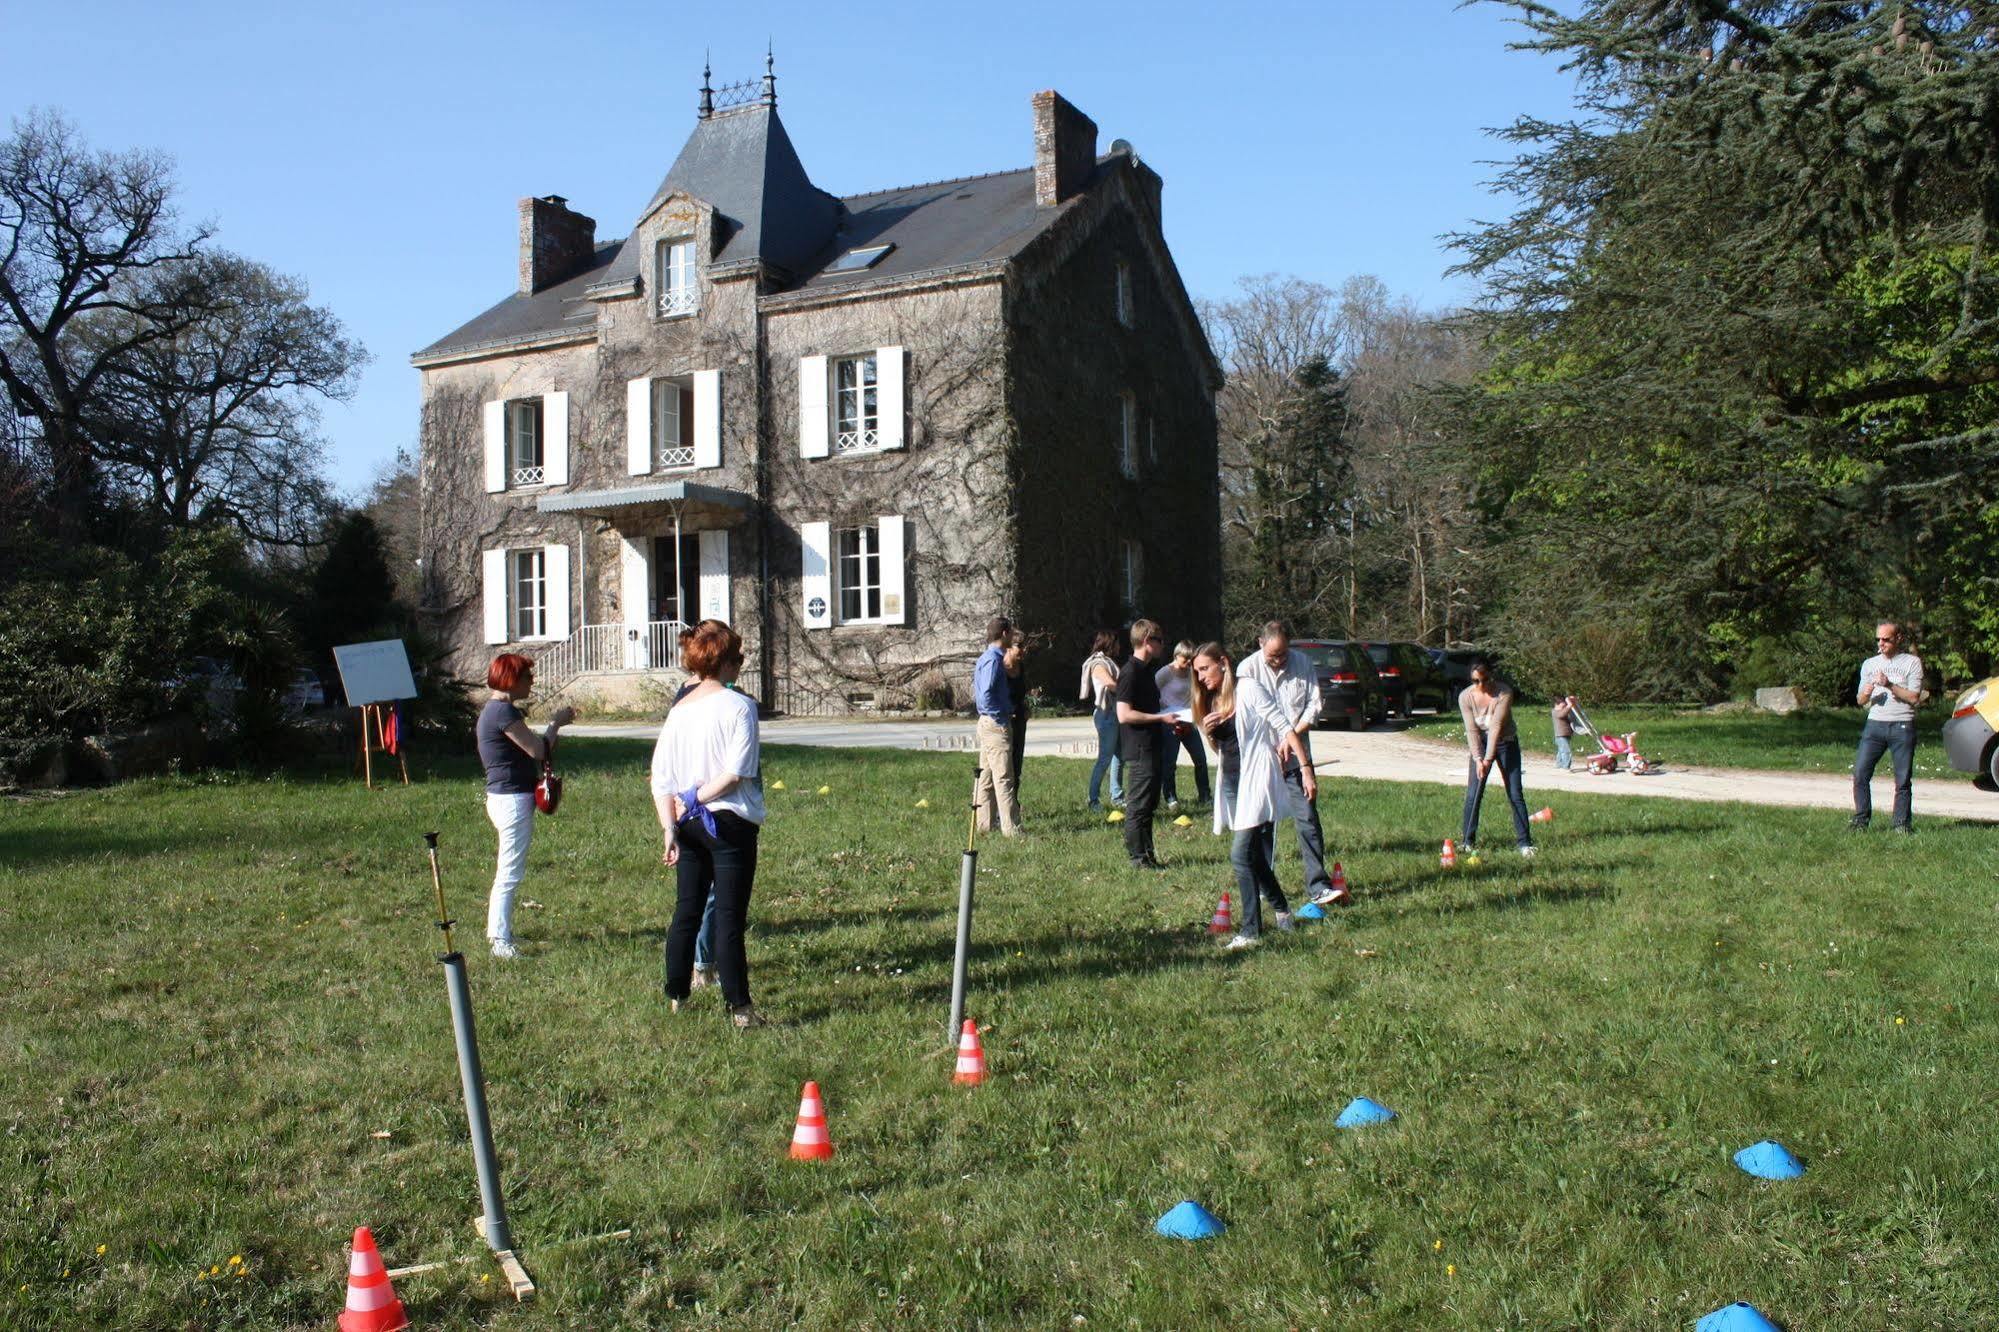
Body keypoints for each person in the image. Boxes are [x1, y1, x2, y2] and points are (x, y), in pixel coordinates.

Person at [651, 620, 769, 1027]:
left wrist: (671, 824)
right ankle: (740, 1009)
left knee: (686, 911)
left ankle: (677, 996)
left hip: (687, 825)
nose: (740, 665)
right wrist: (694, 799)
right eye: (737, 658)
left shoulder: (678, 712)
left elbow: (660, 778)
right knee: (730, 918)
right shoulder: (740, 706)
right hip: (729, 823)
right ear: (724, 663)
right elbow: (736, 772)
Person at [1191, 642, 1313, 950]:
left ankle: (1250, 930)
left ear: (1224, 663)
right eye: (1197, 672)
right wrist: (1208, 731)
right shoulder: (1212, 699)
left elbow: (1284, 727)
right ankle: (1283, 910)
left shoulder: (1248, 689)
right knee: (1254, 856)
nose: (1201, 677)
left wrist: (1306, 769)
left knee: (1239, 855)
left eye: (1205, 668)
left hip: (1257, 779)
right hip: (1232, 781)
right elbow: (1222, 750)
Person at [476, 653, 575, 959]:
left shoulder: (495, 711)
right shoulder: (503, 713)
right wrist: (556, 723)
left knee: (507, 870)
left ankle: (499, 931)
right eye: (527, 678)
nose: (532, 682)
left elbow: (538, 750)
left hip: (503, 797)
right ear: (511, 680)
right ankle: (500, 941)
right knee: (509, 873)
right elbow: (538, 750)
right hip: (512, 801)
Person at [1237, 621, 1343, 906]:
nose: (1280, 660)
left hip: (1296, 757)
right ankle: (1264, 883)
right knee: (1263, 824)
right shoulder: (1247, 670)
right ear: (1260, 643)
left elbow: (1314, 705)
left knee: (1307, 818)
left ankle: (1318, 886)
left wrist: (1292, 736)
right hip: (1263, 761)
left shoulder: (1303, 663)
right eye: (1273, 655)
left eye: (1284, 653)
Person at [1116, 619, 1178, 868]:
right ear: (1146, 641)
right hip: (1139, 746)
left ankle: (1148, 855)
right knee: (1138, 806)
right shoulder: (1130, 672)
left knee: (1149, 804)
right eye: (1159, 640)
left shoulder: (1146, 671)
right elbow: (1124, 714)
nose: (1163, 645)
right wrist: (1160, 718)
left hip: (1152, 744)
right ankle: (1137, 858)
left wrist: (1168, 716)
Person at [1851, 620, 1924, 833]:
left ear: (1898, 638)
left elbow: (1913, 697)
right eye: (1878, 639)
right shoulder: (1870, 664)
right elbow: (1860, 700)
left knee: (1902, 779)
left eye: (1886, 639)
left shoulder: (1912, 663)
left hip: (1902, 725)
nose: (1881, 643)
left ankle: (1901, 824)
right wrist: (1865, 692)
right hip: (1874, 725)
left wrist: (1889, 685)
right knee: (1860, 774)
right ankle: (1860, 821)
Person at [1459, 656, 1534, 856]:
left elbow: (1496, 727)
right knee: (1474, 794)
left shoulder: (1504, 692)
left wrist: (1488, 759)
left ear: (1491, 676)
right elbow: (1472, 731)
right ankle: (1467, 841)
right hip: (1480, 746)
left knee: (1515, 792)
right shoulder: (1465, 697)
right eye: (1475, 681)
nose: (1481, 685)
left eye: (1484, 679)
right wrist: (1478, 759)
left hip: (1505, 742)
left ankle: (1525, 843)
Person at [971, 616, 1021, 836]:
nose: (1012, 637)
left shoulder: (985, 657)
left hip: (987, 722)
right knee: (1004, 778)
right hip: (995, 724)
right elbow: (985, 694)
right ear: (1004, 634)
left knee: (987, 778)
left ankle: (984, 825)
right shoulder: (993, 660)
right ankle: (1012, 829)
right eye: (1011, 632)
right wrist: (1000, 714)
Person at [1155, 640, 1213, 809]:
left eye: (1191, 660)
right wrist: (1164, 712)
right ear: (1176, 655)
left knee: (1200, 760)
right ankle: (1170, 797)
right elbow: (1152, 694)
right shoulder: (1165, 673)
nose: (1188, 663)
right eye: (1185, 659)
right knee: (1169, 763)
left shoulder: (1191, 673)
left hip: (1188, 720)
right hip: (1170, 722)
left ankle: (1205, 795)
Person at [1080, 630, 1125, 810]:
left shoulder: (1109, 662)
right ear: (1110, 644)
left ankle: (1117, 796)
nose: (1120, 647)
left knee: (1119, 757)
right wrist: (1128, 690)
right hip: (1106, 714)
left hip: (1116, 713)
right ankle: (1093, 799)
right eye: (1117, 643)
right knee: (1105, 758)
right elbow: (1110, 684)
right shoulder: (1098, 663)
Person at [1005, 630, 1031, 807]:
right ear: (1008, 647)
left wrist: (1026, 707)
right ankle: (1001, 807)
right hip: (1005, 720)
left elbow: (1022, 692)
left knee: (1017, 765)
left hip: (1020, 720)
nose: (1023, 650)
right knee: (1004, 767)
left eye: (1024, 646)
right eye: (1019, 646)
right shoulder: (1000, 668)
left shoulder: (1021, 667)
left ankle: (1014, 802)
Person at [1551, 694, 1578, 771]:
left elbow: (1568, 712)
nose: (1564, 707)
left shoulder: (1562, 710)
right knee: (1566, 751)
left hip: (1566, 734)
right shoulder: (1555, 712)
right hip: (1560, 735)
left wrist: (1571, 700)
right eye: (1563, 706)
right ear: (1557, 704)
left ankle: (1559, 764)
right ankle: (1566, 767)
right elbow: (1562, 714)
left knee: (1561, 751)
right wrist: (1569, 706)